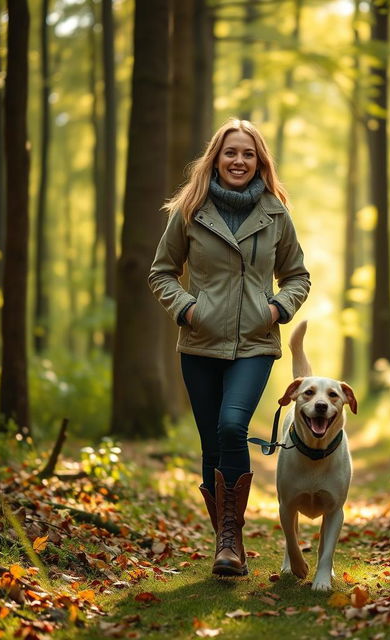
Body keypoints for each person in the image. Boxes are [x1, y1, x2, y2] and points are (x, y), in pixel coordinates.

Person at [148, 118, 310, 577]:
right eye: (231, 153)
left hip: (255, 344)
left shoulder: (276, 214)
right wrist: (188, 309)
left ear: (260, 162)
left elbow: (297, 275)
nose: (239, 161)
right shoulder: (190, 210)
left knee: (232, 424)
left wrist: (277, 309)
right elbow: (161, 271)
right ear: (215, 159)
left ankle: (230, 542)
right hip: (199, 343)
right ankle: (226, 542)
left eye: (248, 154)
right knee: (211, 443)